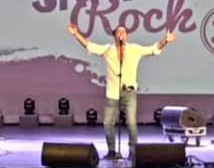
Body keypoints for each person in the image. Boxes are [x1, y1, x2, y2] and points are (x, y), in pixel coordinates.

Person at [67, 23, 176, 160]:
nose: (122, 35)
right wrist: (76, 34)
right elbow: (89, 46)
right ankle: (112, 151)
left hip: (129, 92)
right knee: (108, 123)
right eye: (119, 32)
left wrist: (165, 40)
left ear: (127, 36)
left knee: (131, 123)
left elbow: (153, 49)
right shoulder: (108, 49)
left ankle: (133, 151)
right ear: (114, 36)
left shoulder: (134, 49)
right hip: (113, 92)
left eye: (124, 32)